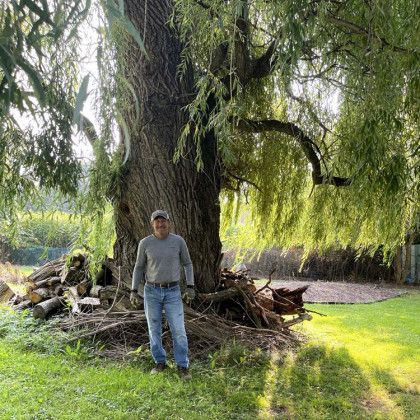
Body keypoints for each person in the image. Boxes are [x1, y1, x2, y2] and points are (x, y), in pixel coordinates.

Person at [130, 210, 195, 379]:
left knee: (179, 330)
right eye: (157, 222)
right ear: (152, 224)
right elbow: (138, 267)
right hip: (151, 292)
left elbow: (188, 264)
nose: (161, 224)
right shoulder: (145, 243)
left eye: (163, 221)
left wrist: (190, 286)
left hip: (173, 291)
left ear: (169, 222)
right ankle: (160, 362)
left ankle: (182, 366)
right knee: (154, 329)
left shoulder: (178, 241)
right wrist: (133, 290)